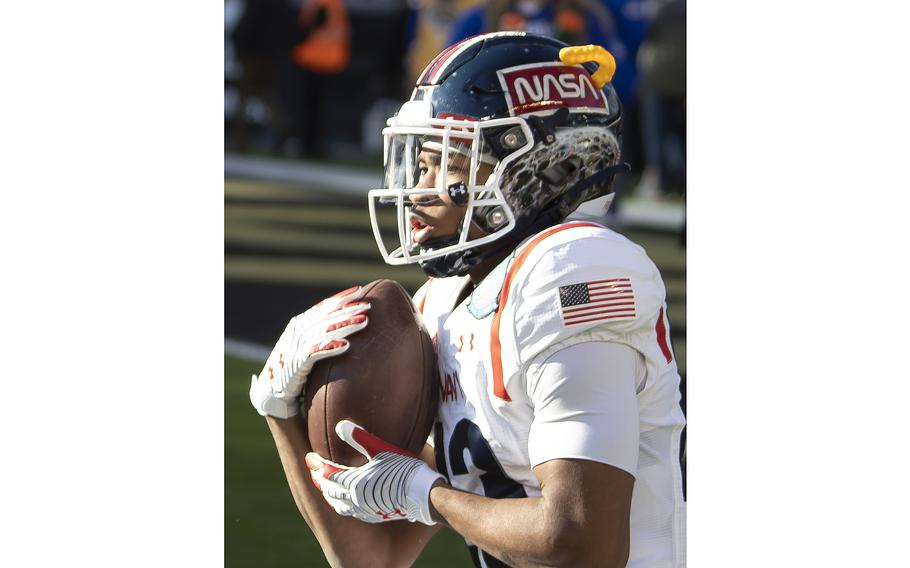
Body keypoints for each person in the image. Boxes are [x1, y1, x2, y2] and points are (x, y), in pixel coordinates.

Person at [249, 32, 686, 568]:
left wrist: (427, 494)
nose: (421, 189)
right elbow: (371, 559)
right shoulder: (443, 301)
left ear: (545, 169)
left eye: (452, 165)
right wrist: (279, 410)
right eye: (422, 163)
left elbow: (585, 545)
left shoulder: (576, 268)